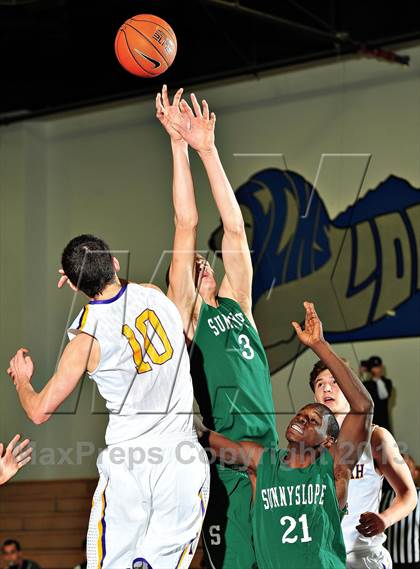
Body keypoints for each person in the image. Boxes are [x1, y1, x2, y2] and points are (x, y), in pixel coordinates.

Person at [7, 234, 209, 569]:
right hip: (179, 458)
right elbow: (122, 293)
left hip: (128, 461)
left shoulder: (85, 342)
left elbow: (38, 410)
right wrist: (93, 273)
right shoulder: (155, 296)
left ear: (74, 285)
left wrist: (22, 381)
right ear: (115, 263)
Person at [156, 85, 278, 569]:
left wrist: (209, 150)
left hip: (272, 457)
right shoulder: (186, 314)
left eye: (206, 264)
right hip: (227, 461)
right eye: (191, 267)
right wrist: (178, 147)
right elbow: (186, 223)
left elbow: (234, 229)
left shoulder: (239, 303)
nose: (201, 265)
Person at [199, 301, 373, 569]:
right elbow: (205, 436)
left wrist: (319, 345)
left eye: (313, 421)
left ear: (328, 441)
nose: (301, 420)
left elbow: (363, 407)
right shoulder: (262, 461)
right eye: (300, 415)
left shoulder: (333, 467)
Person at [311, 357, 416, 568]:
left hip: (362, 554)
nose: (327, 388)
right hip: (320, 556)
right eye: (320, 384)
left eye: (334, 381)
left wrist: (384, 519)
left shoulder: (376, 437)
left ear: (352, 388)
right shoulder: (308, 444)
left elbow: (408, 495)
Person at [381, 454, 420, 568]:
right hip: (387, 560)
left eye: (407, 467)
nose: (402, 470)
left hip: (413, 562)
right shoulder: (382, 496)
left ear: (416, 473)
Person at [363, 356, 393, 431]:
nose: (377, 369)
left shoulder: (387, 382)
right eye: (374, 367)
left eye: (378, 367)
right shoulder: (366, 384)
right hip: (371, 420)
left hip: (384, 419)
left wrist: (377, 378)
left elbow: (384, 395)